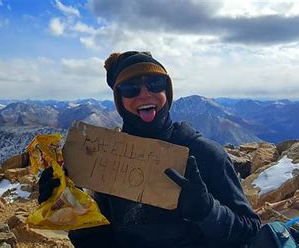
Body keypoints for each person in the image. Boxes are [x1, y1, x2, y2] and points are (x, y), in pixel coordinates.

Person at [38, 51, 261, 247]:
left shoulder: (204, 153)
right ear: (119, 100)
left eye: (155, 83)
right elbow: (103, 241)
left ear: (167, 91)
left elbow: (249, 230)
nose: (145, 94)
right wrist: (69, 209)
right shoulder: (109, 160)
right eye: (131, 88)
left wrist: (207, 211)